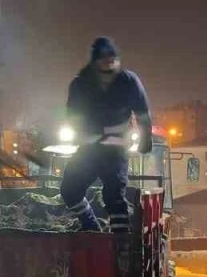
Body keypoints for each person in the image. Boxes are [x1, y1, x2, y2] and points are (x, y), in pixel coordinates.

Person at [60, 37, 153, 232]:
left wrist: (146, 138)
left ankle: (121, 243)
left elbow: (142, 112)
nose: (108, 68)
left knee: (114, 196)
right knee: (70, 190)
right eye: (103, 62)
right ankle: (91, 226)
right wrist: (84, 133)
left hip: (116, 148)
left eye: (112, 61)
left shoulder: (128, 82)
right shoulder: (81, 85)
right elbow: (73, 115)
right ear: (94, 64)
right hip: (90, 148)